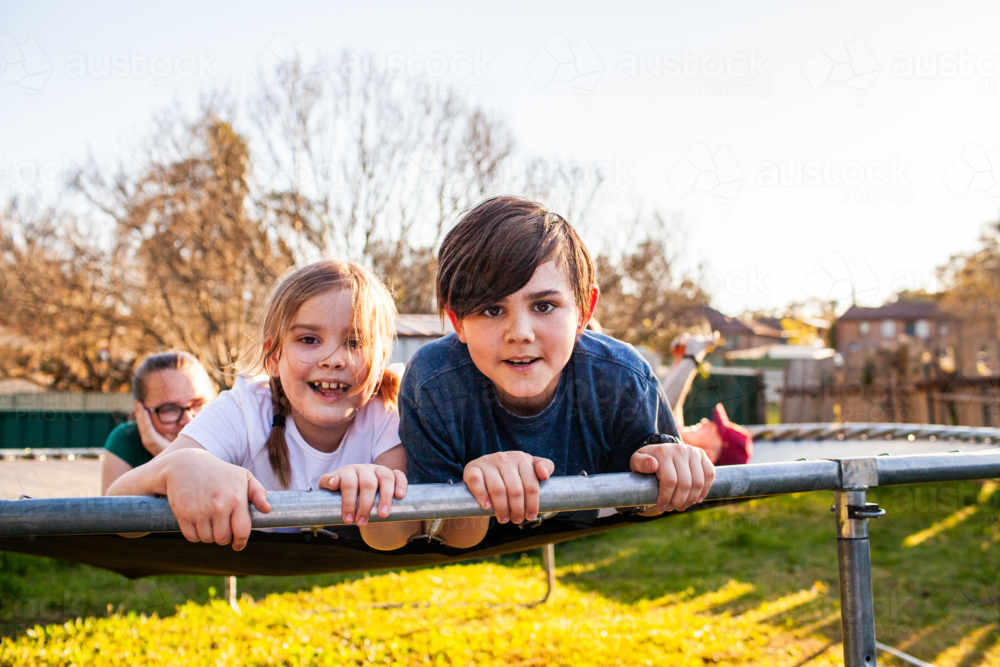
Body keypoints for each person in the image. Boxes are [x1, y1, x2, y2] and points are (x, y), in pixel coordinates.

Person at [399, 196, 715, 549]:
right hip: (480, 541)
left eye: (544, 306)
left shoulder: (621, 377)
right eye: (491, 309)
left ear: (582, 312)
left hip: (582, 525)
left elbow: (645, 505)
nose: (520, 333)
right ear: (457, 321)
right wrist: (473, 491)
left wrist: (671, 468)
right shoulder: (433, 383)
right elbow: (439, 530)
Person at [106, 260, 419, 552]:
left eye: (354, 343)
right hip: (252, 554)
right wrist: (177, 466)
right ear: (273, 356)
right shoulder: (243, 410)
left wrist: (375, 495)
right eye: (309, 339)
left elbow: (392, 540)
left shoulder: (386, 414)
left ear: (380, 364)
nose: (333, 360)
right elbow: (113, 510)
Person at [101, 351, 217, 494]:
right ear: (140, 414)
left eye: (199, 404)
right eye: (169, 409)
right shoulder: (126, 439)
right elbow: (111, 510)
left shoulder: (232, 433)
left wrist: (162, 451)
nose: (188, 420)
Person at [663, 332, 753, 466]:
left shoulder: (671, 463)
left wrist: (691, 359)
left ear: (708, 456)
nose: (705, 422)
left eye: (712, 429)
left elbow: (662, 407)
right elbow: (673, 408)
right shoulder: (677, 456)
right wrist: (680, 362)